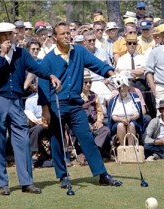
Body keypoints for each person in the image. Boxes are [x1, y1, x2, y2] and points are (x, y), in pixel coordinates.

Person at [38, 21, 122, 188]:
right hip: (56, 104)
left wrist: (113, 74)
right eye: (62, 34)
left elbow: (98, 65)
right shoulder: (48, 59)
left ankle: (102, 174)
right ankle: (63, 176)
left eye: (68, 33)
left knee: (87, 138)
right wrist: (45, 109)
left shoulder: (80, 52)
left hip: (76, 105)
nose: (67, 36)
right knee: (57, 140)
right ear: (55, 38)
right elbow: (42, 85)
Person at [0, 22, 61, 195]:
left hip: (16, 100)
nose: (7, 39)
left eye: (9, 35)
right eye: (3, 36)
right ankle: (2, 183)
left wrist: (49, 75)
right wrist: (2, 55)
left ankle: (27, 182)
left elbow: (36, 67)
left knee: (23, 140)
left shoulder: (21, 53)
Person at [107, 74, 144, 146]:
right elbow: (113, 116)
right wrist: (121, 119)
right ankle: (123, 148)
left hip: (132, 120)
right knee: (120, 125)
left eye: (124, 86)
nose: (122, 88)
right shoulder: (113, 100)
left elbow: (137, 113)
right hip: (118, 122)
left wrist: (130, 118)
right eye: (120, 87)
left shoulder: (134, 97)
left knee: (131, 125)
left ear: (127, 86)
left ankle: (131, 148)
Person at [81, 70, 111, 158]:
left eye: (90, 82)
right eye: (85, 82)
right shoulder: (77, 96)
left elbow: (99, 111)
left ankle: (94, 151)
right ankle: (92, 153)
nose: (88, 84)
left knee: (106, 130)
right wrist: (86, 124)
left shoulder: (94, 95)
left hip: (94, 123)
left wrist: (99, 120)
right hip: (82, 124)